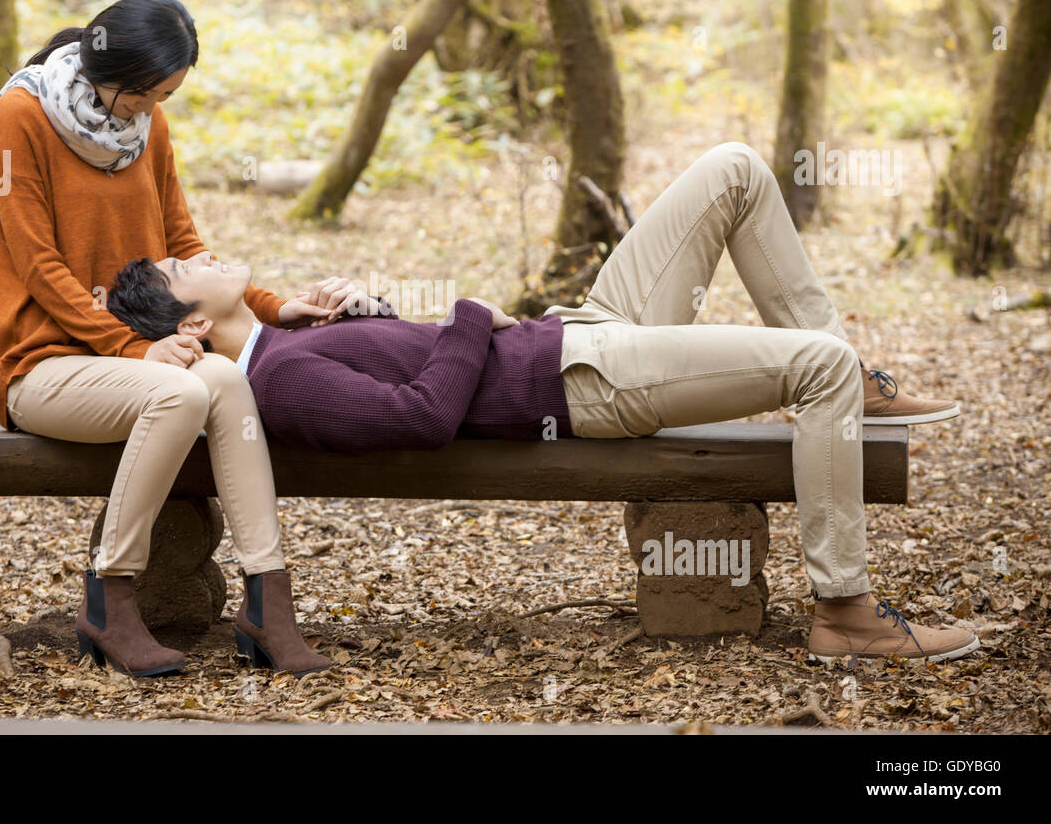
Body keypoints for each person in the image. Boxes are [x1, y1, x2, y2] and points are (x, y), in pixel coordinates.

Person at [105, 141, 979, 665]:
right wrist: (471, 316)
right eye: (189, 267)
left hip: (578, 334)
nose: (207, 253)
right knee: (817, 367)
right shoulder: (278, 380)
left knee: (737, 170)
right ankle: (847, 613)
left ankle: (862, 385)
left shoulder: (279, 346)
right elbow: (422, 419)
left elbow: (407, 369)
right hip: (587, 380)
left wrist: (371, 315)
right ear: (191, 316)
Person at [0, 0, 339, 678]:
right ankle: (110, 597)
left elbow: (183, 243)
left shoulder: (148, 127)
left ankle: (269, 602)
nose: (148, 111)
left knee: (226, 380)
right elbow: (37, 263)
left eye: (164, 97)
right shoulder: (19, 114)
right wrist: (131, 345)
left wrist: (269, 305)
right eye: (143, 95)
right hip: (42, 361)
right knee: (178, 392)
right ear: (104, 65)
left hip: (140, 357)